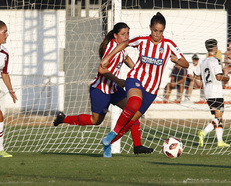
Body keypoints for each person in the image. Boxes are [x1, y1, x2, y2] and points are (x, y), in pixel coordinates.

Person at [53, 22, 153, 155]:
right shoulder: (111, 47)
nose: (126, 36)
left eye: (128, 33)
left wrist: (139, 74)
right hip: (101, 89)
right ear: (115, 35)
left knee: (134, 111)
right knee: (96, 120)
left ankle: (138, 146)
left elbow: (127, 60)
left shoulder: (121, 48)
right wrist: (119, 80)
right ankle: (63, 119)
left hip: (114, 89)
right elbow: (101, 69)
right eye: (123, 34)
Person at [100, 12, 189, 157]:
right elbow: (124, 43)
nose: (157, 34)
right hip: (135, 79)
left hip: (151, 89)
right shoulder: (141, 40)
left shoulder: (169, 45)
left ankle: (108, 142)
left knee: (131, 121)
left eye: (160, 31)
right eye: (155, 30)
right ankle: (113, 134)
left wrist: (176, 60)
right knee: (134, 103)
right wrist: (109, 56)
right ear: (150, 28)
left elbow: (186, 64)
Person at [196, 39, 230, 147]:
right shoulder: (215, 61)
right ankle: (204, 132)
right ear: (215, 48)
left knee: (218, 116)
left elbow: (196, 75)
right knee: (219, 117)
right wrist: (227, 77)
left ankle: (220, 141)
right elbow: (219, 77)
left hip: (208, 91)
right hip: (216, 91)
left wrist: (204, 81)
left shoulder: (203, 62)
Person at [0, 21, 17, 158]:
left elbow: (4, 73)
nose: (7, 34)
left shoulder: (5, 52)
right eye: (4, 32)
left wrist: (11, 91)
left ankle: (1, 149)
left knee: (0, 117)